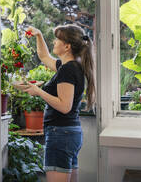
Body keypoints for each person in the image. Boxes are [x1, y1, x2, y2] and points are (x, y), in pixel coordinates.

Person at [23, 24, 95, 182]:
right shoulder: (70, 66)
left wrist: (38, 91)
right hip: (68, 133)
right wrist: (38, 34)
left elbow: (64, 106)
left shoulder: (68, 70)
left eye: (57, 39)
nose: (54, 42)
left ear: (67, 46)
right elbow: (43, 56)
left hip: (61, 134)